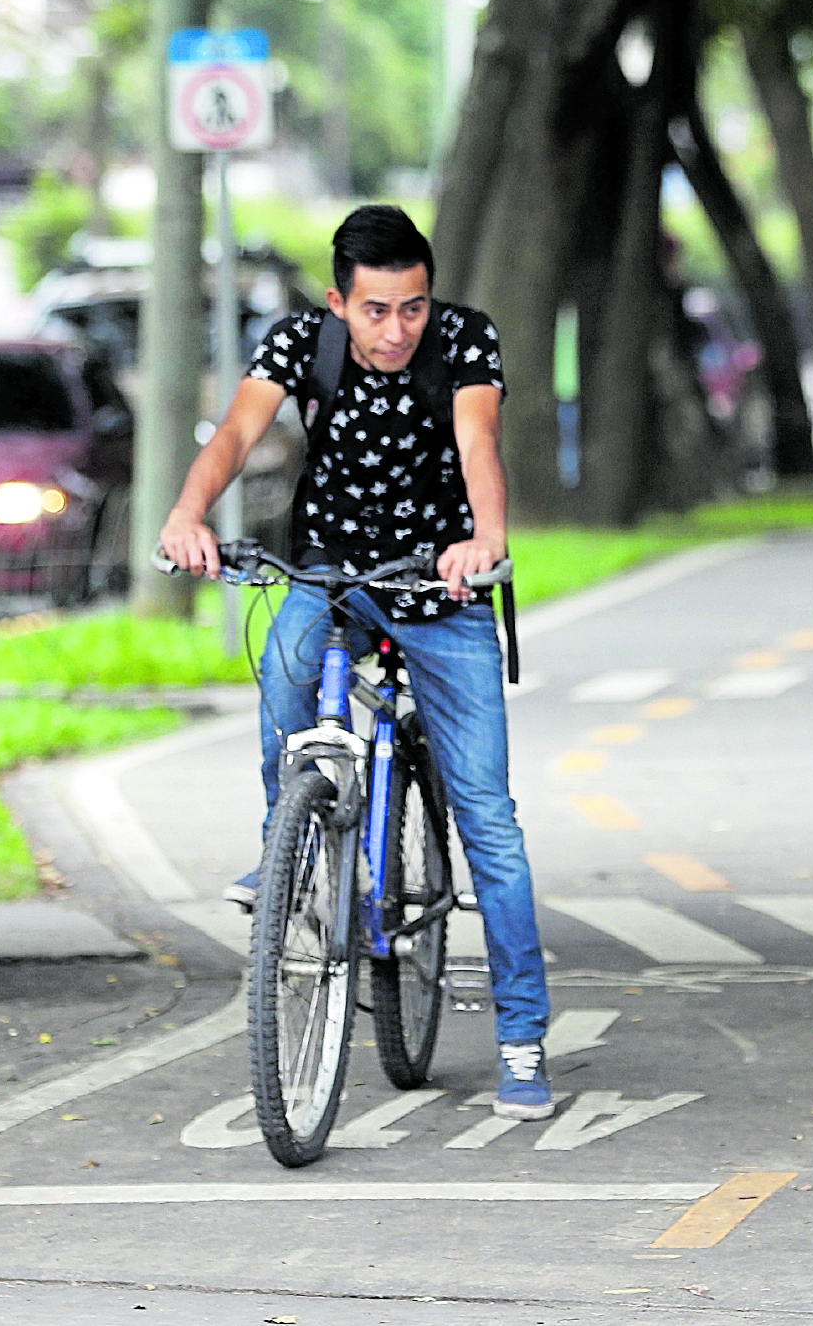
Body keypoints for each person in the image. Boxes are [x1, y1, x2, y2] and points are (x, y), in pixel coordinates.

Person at [156, 205, 555, 1122]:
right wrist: (187, 516)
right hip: (328, 573)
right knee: (284, 677)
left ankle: (523, 1037)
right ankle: (286, 846)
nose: (396, 330)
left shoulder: (465, 342)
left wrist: (483, 540)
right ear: (339, 302)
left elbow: (478, 443)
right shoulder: (301, 343)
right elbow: (231, 438)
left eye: (412, 307)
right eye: (376, 310)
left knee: (490, 821)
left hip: (439, 591)